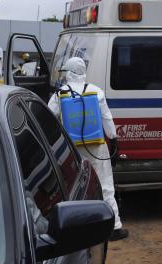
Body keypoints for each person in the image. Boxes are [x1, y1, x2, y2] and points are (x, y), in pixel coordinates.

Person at [48, 57, 128, 241]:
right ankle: (115, 227)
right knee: (106, 185)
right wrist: (114, 140)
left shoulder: (60, 95)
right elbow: (107, 119)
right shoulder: (96, 91)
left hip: (71, 150)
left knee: (73, 187)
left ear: (69, 73)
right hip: (97, 147)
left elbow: (50, 120)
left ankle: (75, 230)